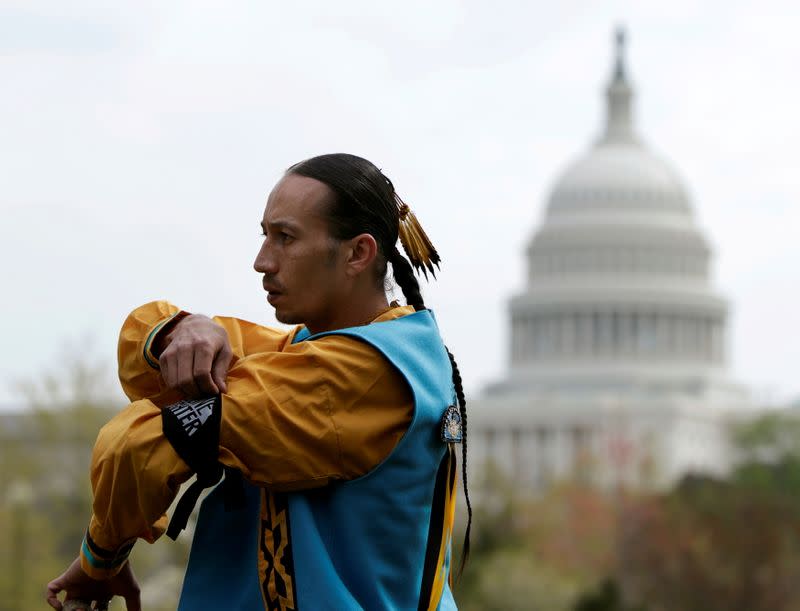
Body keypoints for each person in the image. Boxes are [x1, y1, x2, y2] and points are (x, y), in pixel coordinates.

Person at [45, 153, 471, 611]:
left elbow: (139, 445)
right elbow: (139, 353)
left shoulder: (361, 373)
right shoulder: (323, 350)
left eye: (285, 238)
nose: (261, 261)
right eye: (264, 235)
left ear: (358, 254)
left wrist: (99, 558)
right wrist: (182, 329)